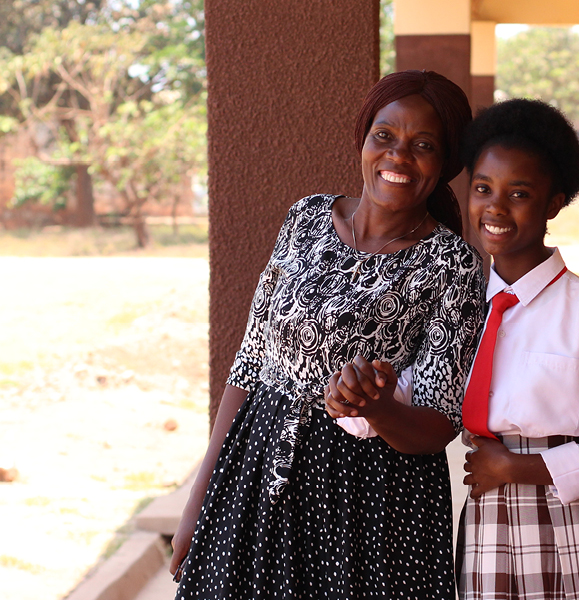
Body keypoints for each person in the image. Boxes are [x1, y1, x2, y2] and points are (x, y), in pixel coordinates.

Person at [169, 70, 486, 600]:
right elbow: (250, 363)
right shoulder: (306, 217)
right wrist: (200, 496)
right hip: (257, 470)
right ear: (364, 138)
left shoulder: (452, 264)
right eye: (384, 136)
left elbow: (438, 424)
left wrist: (377, 409)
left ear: (446, 162)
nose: (398, 157)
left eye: (423, 145)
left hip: (370, 504)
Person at [455, 98, 579, 599]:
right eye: (483, 189)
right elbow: (417, 389)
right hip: (490, 518)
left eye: (519, 193)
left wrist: (519, 468)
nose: (495, 207)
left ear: (553, 204)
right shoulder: (458, 308)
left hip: (576, 521)